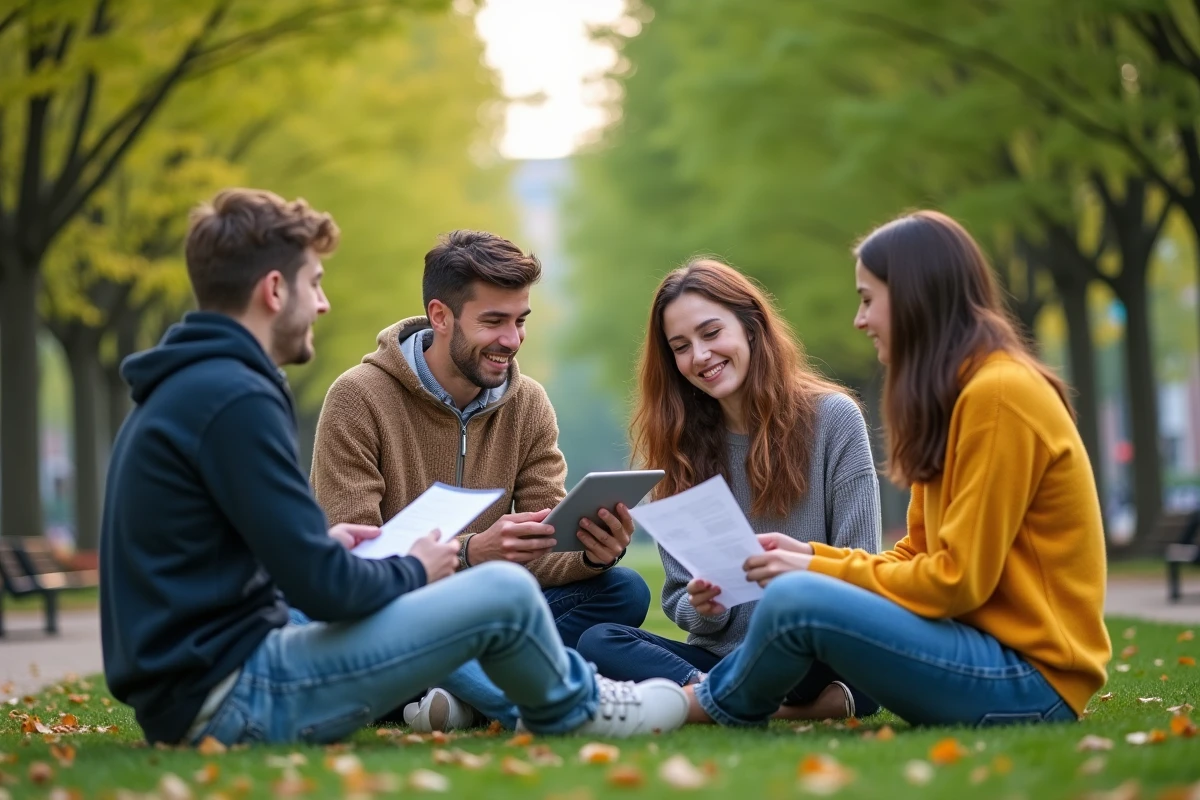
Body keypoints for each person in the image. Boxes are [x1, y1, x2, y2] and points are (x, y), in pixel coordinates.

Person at [99, 189, 688, 746]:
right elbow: (329, 591)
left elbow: (247, 564)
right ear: (275, 290)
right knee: (501, 593)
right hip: (234, 694)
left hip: (196, 689)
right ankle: (575, 707)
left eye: (521, 320)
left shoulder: (192, 386)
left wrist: (587, 550)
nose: (324, 303)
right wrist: (439, 562)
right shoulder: (239, 396)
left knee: (610, 588)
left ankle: (494, 694)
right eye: (315, 283)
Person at [679, 211, 1112, 729]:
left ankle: (693, 705)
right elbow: (917, 552)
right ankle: (721, 701)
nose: (860, 320)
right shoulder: (958, 398)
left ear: (915, 297)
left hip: (1029, 681)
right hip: (978, 655)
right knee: (795, 597)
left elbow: (956, 582)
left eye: (867, 299)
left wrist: (810, 571)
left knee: (794, 599)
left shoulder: (1000, 395)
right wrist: (811, 554)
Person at [310, 230, 650, 732]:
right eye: (493, 321)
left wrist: (590, 551)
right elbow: (356, 559)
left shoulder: (528, 403)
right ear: (440, 316)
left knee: (622, 590)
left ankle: (457, 694)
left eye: (520, 321)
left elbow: (546, 544)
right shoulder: (358, 398)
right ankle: (499, 687)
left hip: (485, 611)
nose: (511, 340)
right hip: (397, 611)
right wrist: (472, 554)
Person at [576, 258, 882, 720]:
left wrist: (800, 569)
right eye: (681, 347)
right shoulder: (677, 449)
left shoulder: (834, 419)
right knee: (599, 640)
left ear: (751, 327)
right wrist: (707, 608)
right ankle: (742, 700)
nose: (699, 356)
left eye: (711, 333)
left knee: (819, 654)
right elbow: (681, 597)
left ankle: (703, 702)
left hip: (808, 643)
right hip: (721, 658)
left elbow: (864, 569)